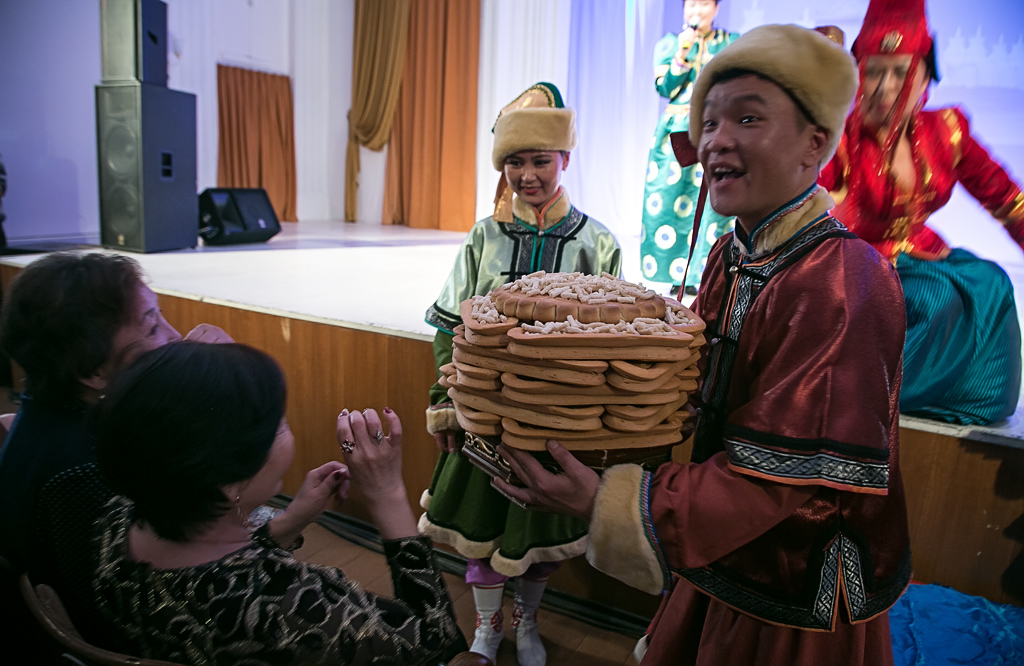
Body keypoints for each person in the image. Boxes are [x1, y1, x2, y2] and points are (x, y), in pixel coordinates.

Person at [495, 25, 912, 665]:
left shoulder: (843, 281)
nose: (717, 140)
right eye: (710, 122)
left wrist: (605, 500)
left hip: (793, 585)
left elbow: (776, 479)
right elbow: (690, 386)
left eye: (748, 117)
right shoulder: (734, 253)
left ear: (815, 143)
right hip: (717, 544)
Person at [89, 341, 467, 665]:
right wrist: (388, 497)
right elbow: (438, 647)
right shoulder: (287, 608)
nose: (287, 428)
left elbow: (215, 574)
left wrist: (289, 522)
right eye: (278, 425)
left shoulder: (113, 520)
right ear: (227, 481)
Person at [422, 82, 622, 665]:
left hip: (558, 421)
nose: (527, 174)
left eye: (540, 160)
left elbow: (611, 341)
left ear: (565, 158)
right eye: (514, 161)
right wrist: (445, 399)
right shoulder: (482, 238)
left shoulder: (597, 242)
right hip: (484, 413)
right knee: (483, 528)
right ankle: (487, 627)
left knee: (541, 537)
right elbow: (447, 326)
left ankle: (526, 619)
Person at [0, 252, 231, 643]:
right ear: (91, 371)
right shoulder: (84, 476)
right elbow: (179, 601)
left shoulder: (49, 412)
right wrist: (230, 394)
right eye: (153, 326)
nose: (176, 336)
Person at [819, 0, 1024, 425]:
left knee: (991, 283)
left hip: (921, 255)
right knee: (935, 300)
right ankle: (859, 395)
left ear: (925, 77)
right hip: (855, 263)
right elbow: (809, 207)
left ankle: (956, 400)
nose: (886, 87)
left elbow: (1004, 197)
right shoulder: (836, 136)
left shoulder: (945, 131)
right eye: (874, 71)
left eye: (901, 72)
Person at [640, 0, 737, 294]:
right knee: (671, 200)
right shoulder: (670, 44)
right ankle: (675, 274)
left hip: (715, 129)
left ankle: (707, 273)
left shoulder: (730, 43)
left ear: (716, 8)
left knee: (712, 203)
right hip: (676, 130)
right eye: (691, 3)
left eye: (704, 3)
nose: (697, 10)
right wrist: (682, 53)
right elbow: (665, 88)